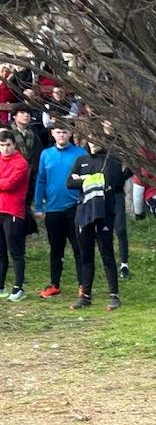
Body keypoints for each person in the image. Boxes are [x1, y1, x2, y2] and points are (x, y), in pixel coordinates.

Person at [65, 125, 129, 311]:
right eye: (90, 140)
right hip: (84, 213)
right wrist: (91, 178)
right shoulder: (81, 160)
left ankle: (114, 295)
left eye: (97, 140)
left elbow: (109, 180)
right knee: (86, 255)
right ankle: (85, 295)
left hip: (104, 213)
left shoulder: (112, 160)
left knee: (106, 254)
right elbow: (69, 182)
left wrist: (84, 178)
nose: (93, 144)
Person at [31, 122, 85, 299]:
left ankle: (83, 284)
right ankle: (55, 284)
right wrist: (38, 206)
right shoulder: (46, 154)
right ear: (52, 133)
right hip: (53, 209)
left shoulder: (80, 154)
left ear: (70, 134)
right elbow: (41, 181)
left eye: (64, 132)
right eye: (58, 132)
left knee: (79, 247)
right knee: (56, 248)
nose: (61, 135)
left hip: (76, 208)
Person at [0, 130, 28, 300]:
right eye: (2, 145)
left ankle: (18, 288)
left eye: (8, 145)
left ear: (14, 145)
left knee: (15, 251)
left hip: (13, 211)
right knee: (0, 252)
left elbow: (10, 184)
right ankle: (1, 286)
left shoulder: (21, 163)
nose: (5, 149)